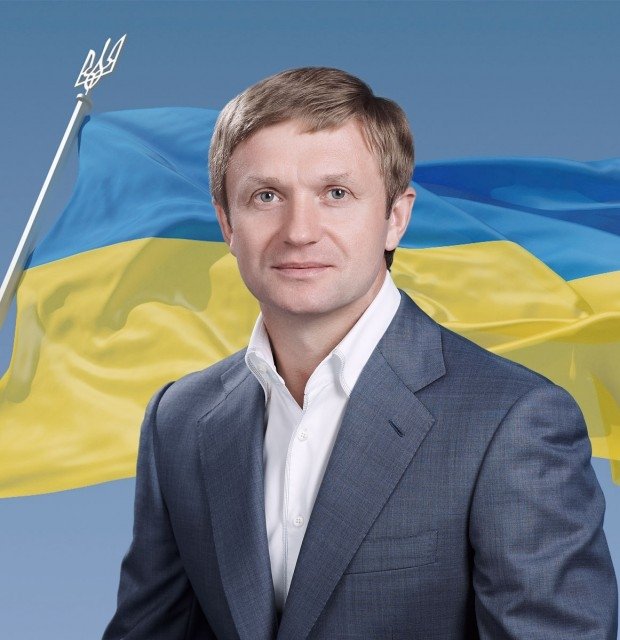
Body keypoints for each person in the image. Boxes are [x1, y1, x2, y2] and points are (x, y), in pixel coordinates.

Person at [102, 67, 617, 640]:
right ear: (227, 223)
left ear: (395, 218)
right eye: (266, 196)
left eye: (336, 194)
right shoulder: (178, 419)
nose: (299, 231)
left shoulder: (512, 421)